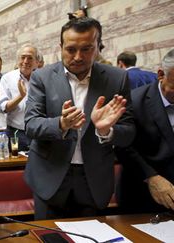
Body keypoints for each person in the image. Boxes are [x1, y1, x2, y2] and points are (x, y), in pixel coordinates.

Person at [24, 17, 135, 220]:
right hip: (50, 177)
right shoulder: (42, 77)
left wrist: (105, 131)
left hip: (93, 180)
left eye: (86, 49)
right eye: (71, 49)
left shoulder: (117, 78)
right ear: (61, 46)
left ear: (98, 47)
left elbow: (128, 132)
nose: (78, 56)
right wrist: (61, 124)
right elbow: (31, 125)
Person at [116, 49, 174, 214]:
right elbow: (123, 146)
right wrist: (151, 177)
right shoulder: (133, 102)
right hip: (141, 196)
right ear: (161, 75)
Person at [0, 44, 39, 151]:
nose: (26, 61)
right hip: (15, 133)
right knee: (14, 166)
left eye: (30, 58)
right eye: (23, 57)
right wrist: (21, 96)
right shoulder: (7, 78)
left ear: (36, 62)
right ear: (17, 60)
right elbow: (4, 108)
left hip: (38, 133)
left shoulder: (42, 78)